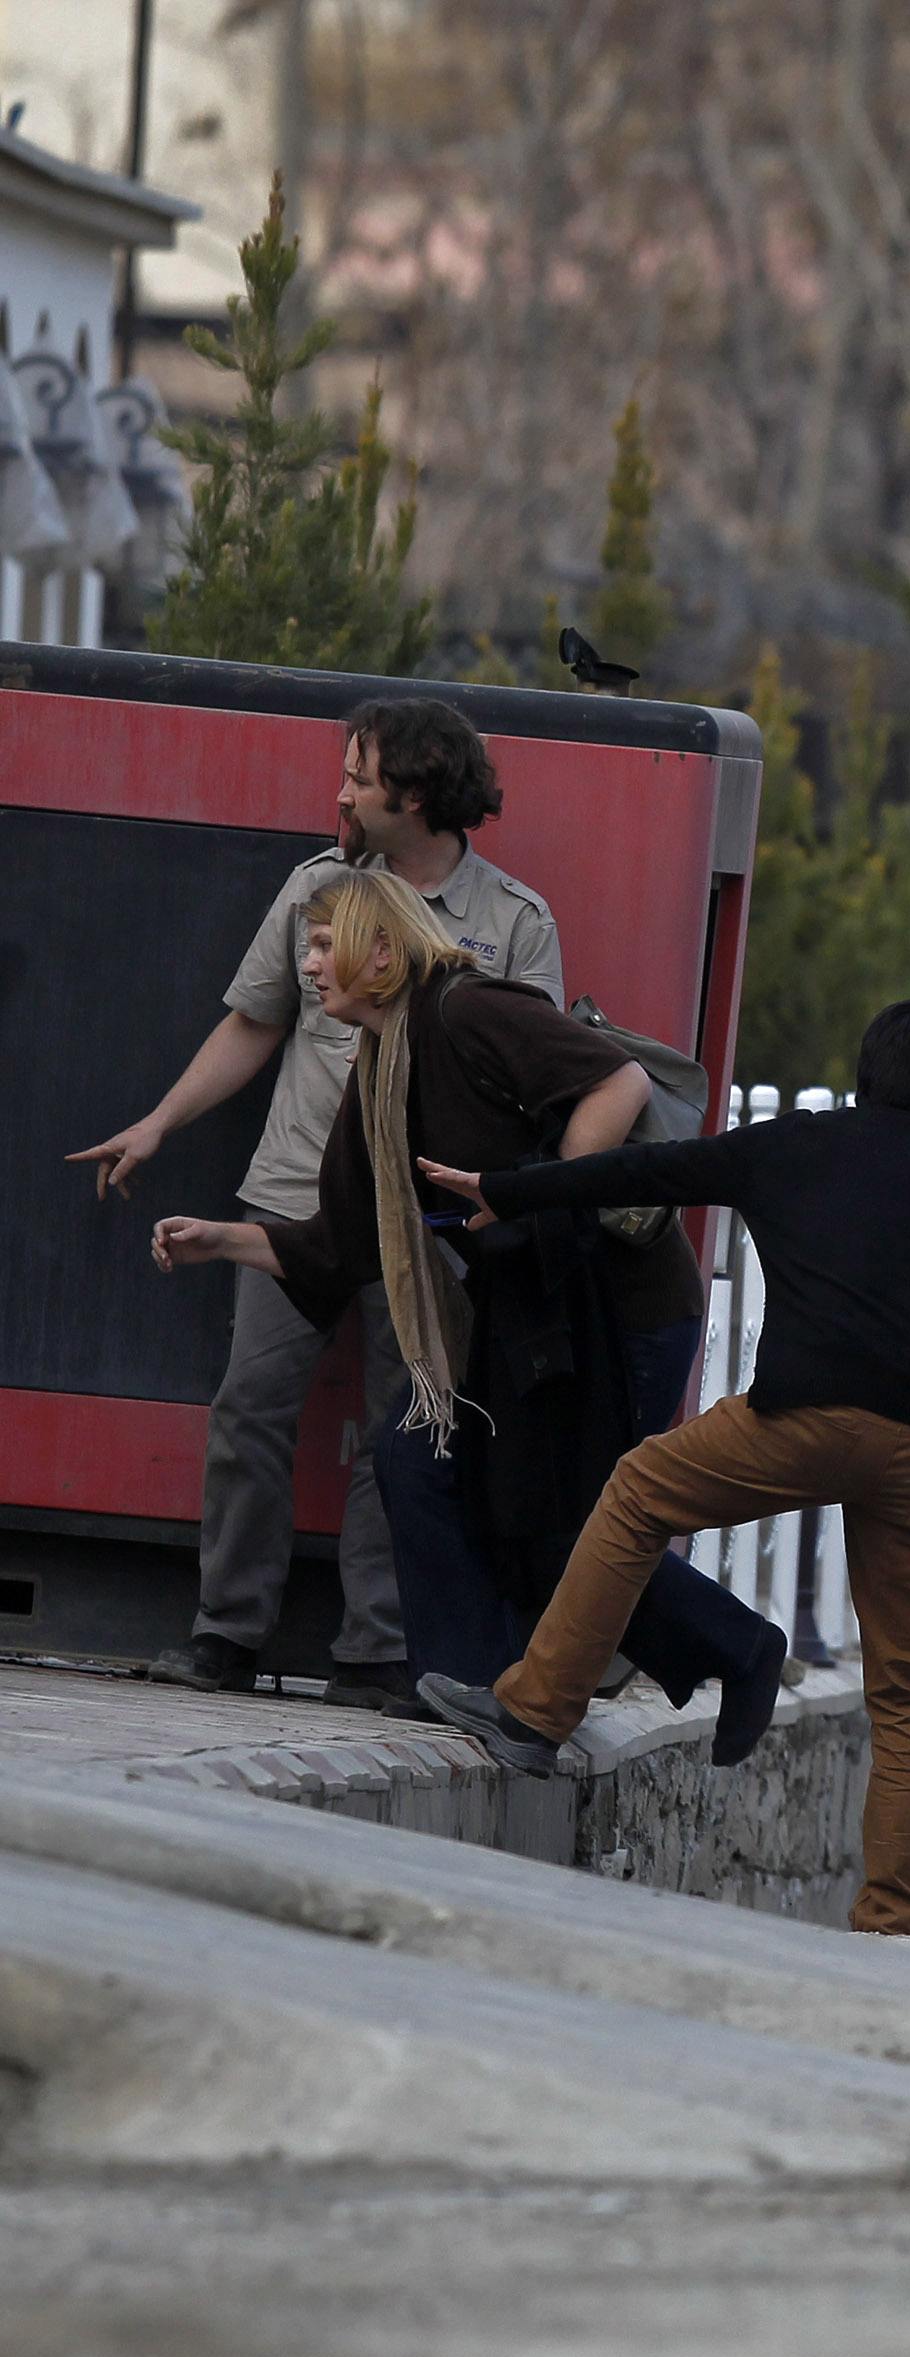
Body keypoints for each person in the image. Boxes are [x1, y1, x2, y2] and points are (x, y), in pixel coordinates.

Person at [402, 997, 910, 1940]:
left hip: (803, 1416)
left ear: (865, 1081)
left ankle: (536, 1710)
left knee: (635, 1493)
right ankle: (894, 1922)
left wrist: (507, 1187)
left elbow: (645, 1168)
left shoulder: (792, 1144)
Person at [143, 872, 772, 1740]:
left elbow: (617, 1082)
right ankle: (466, 1681)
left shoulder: (465, 1010)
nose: (311, 964)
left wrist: (532, 1194)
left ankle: (735, 1649)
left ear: (387, 952)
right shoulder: (380, 1068)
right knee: (420, 1459)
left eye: (328, 944)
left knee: (563, 1518)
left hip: (619, 1306)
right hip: (526, 1314)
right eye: (310, 945)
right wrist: (222, 1238)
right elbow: (341, 1244)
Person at [76, 698, 558, 1707]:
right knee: (248, 1406)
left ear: (413, 794)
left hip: (421, 1222)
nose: (338, 792)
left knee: (405, 1427)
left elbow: (532, 1073)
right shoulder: (315, 888)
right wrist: (159, 1122)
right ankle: (226, 1631)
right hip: (292, 1195)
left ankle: (375, 1647)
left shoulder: (514, 921)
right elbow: (254, 1024)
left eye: (357, 774)